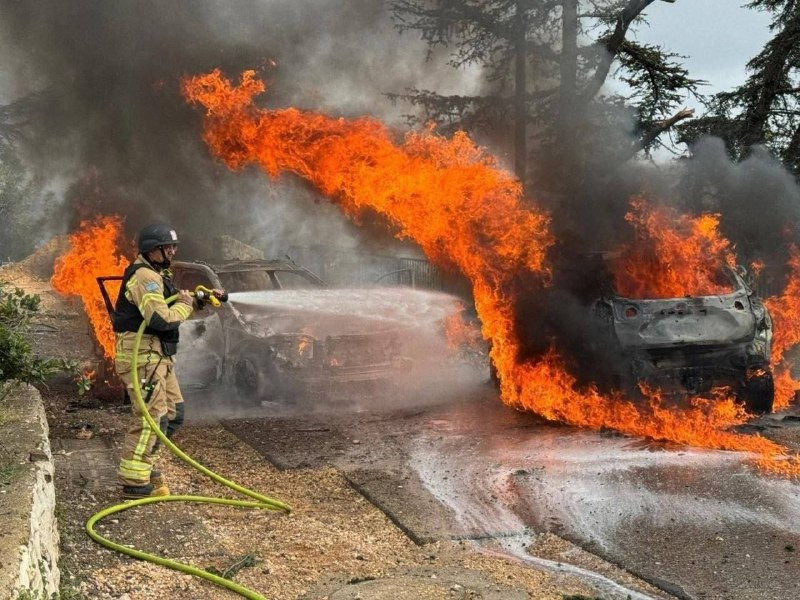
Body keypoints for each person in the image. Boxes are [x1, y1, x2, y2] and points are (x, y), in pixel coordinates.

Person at [112, 223, 221, 500]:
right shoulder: (145, 277)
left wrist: (198, 301)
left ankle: (145, 464)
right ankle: (135, 482)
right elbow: (160, 319)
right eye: (167, 247)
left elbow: (171, 309)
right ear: (152, 249)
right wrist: (184, 304)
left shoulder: (158, 274)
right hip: (143, 359)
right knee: (151, 419)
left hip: (158, 356)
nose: (172, 251)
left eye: (174, 246)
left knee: (173, 414)